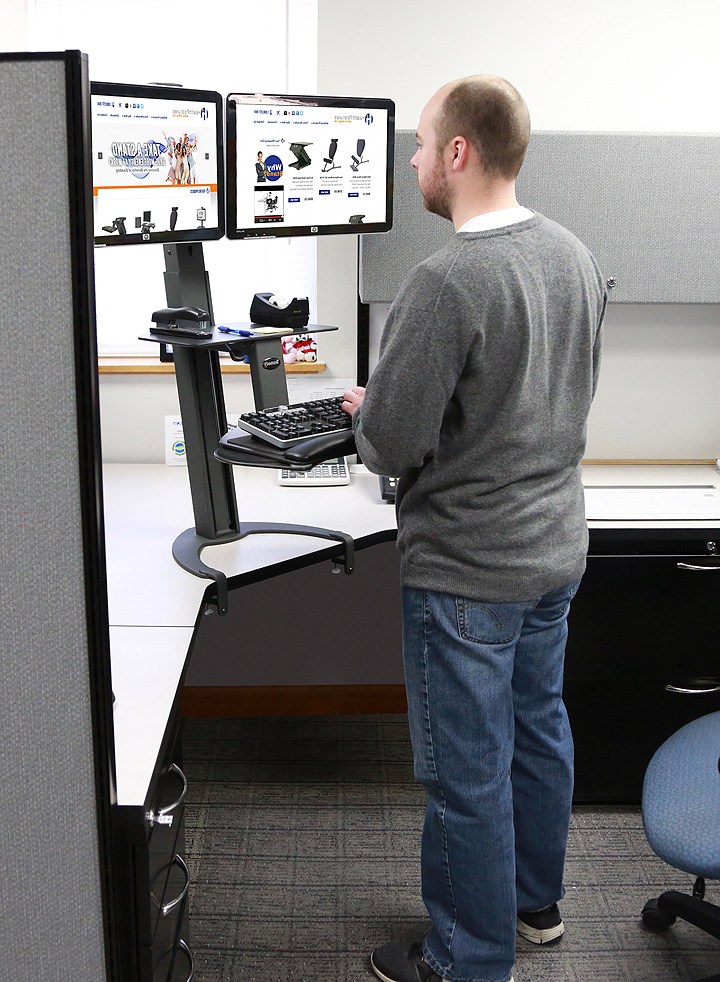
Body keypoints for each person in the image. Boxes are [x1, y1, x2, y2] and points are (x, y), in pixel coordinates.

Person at [342, 75, 606, 982]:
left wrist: (367, 412)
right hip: (552, 552)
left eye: (419, 143)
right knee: (537, 734)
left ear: (459, 153)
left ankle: (467, 960)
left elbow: (391, 444)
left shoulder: (447, 279)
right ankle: (535, 908)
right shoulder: (572, 253)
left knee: (467, 778)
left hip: (466, 574)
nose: (411, 159)